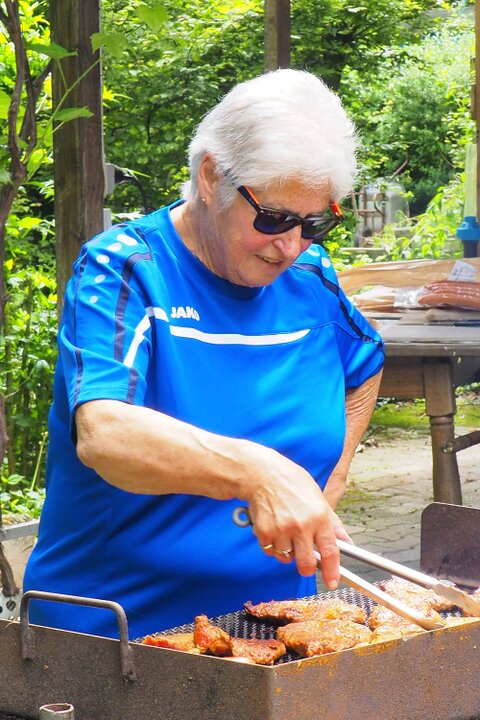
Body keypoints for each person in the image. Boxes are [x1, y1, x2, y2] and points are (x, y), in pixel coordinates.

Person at [23, 68, 384, 639]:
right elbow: (105, 432)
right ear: (212, 177)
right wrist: (257, 471)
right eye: (274, 218)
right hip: (114, 634)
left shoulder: (309, 277)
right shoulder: (128, 269)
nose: (291, 245)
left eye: (314, 222)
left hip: (270, 628)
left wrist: (330, 479)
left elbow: (365, 363)